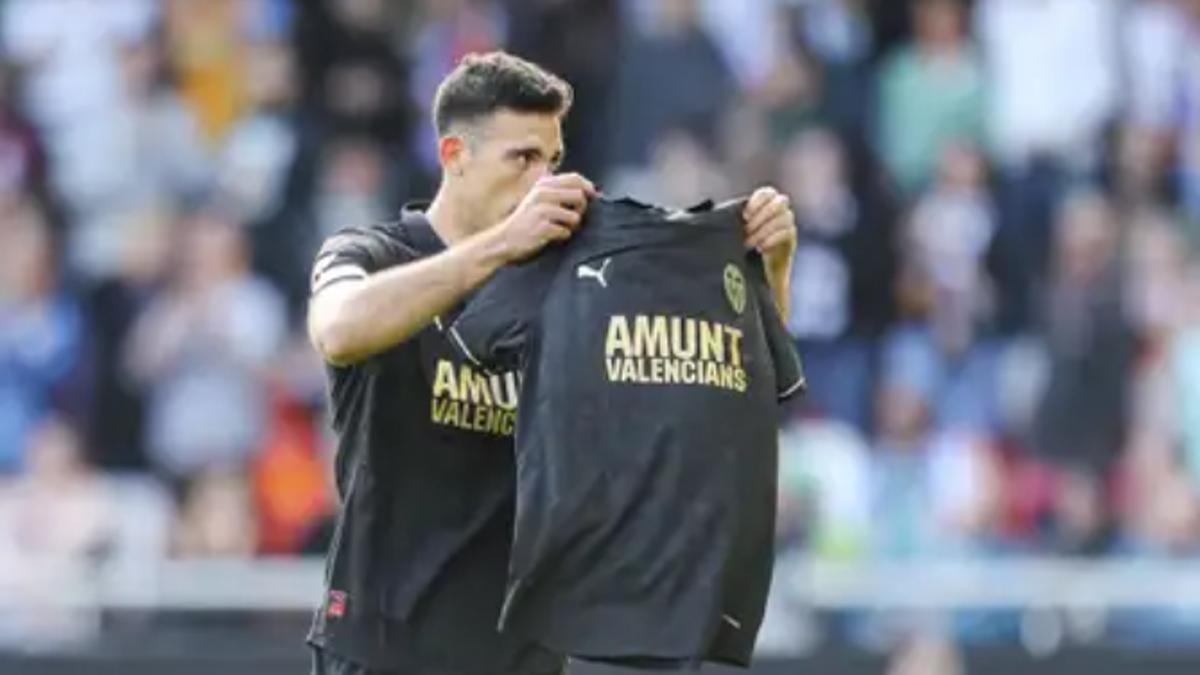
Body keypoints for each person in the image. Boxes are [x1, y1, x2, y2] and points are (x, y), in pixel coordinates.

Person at [305, 51, 798, 675]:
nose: (543, 180)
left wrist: (770, 272)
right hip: (385, 645)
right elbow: (339, 330)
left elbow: (724, 396)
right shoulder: (370, 252)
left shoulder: (572, 277)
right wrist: (498, 248)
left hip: (522, 657)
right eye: (522, 158)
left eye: (553, 160)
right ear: (455, 156)